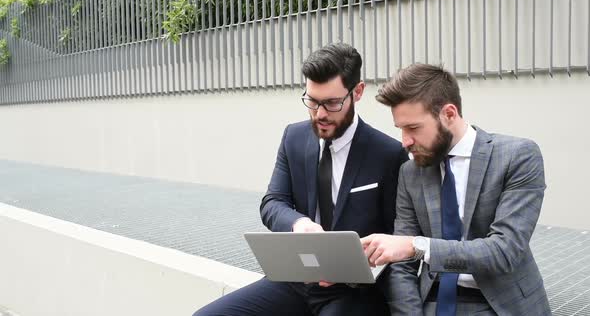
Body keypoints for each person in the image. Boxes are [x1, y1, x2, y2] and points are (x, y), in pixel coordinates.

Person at [193, 43, 407, 315]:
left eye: (331, 103)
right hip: (294, 281)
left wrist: (353, 267)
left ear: (358, 92)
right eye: (312, 101)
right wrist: (299, 223)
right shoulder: (293, 138)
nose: (320, 114)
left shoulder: (388, 154)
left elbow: (398, 236)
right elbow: (272, 203)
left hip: (353, 292)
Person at [361, 63, 551, 316]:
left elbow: (504, 251)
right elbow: (402, 265)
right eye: (401, 129)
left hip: (500, 302)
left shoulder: (517, 156)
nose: (405, 141)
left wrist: (417, 246)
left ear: (449, 114)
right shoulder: (411, 172)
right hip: (433, 298)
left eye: (414, 128)